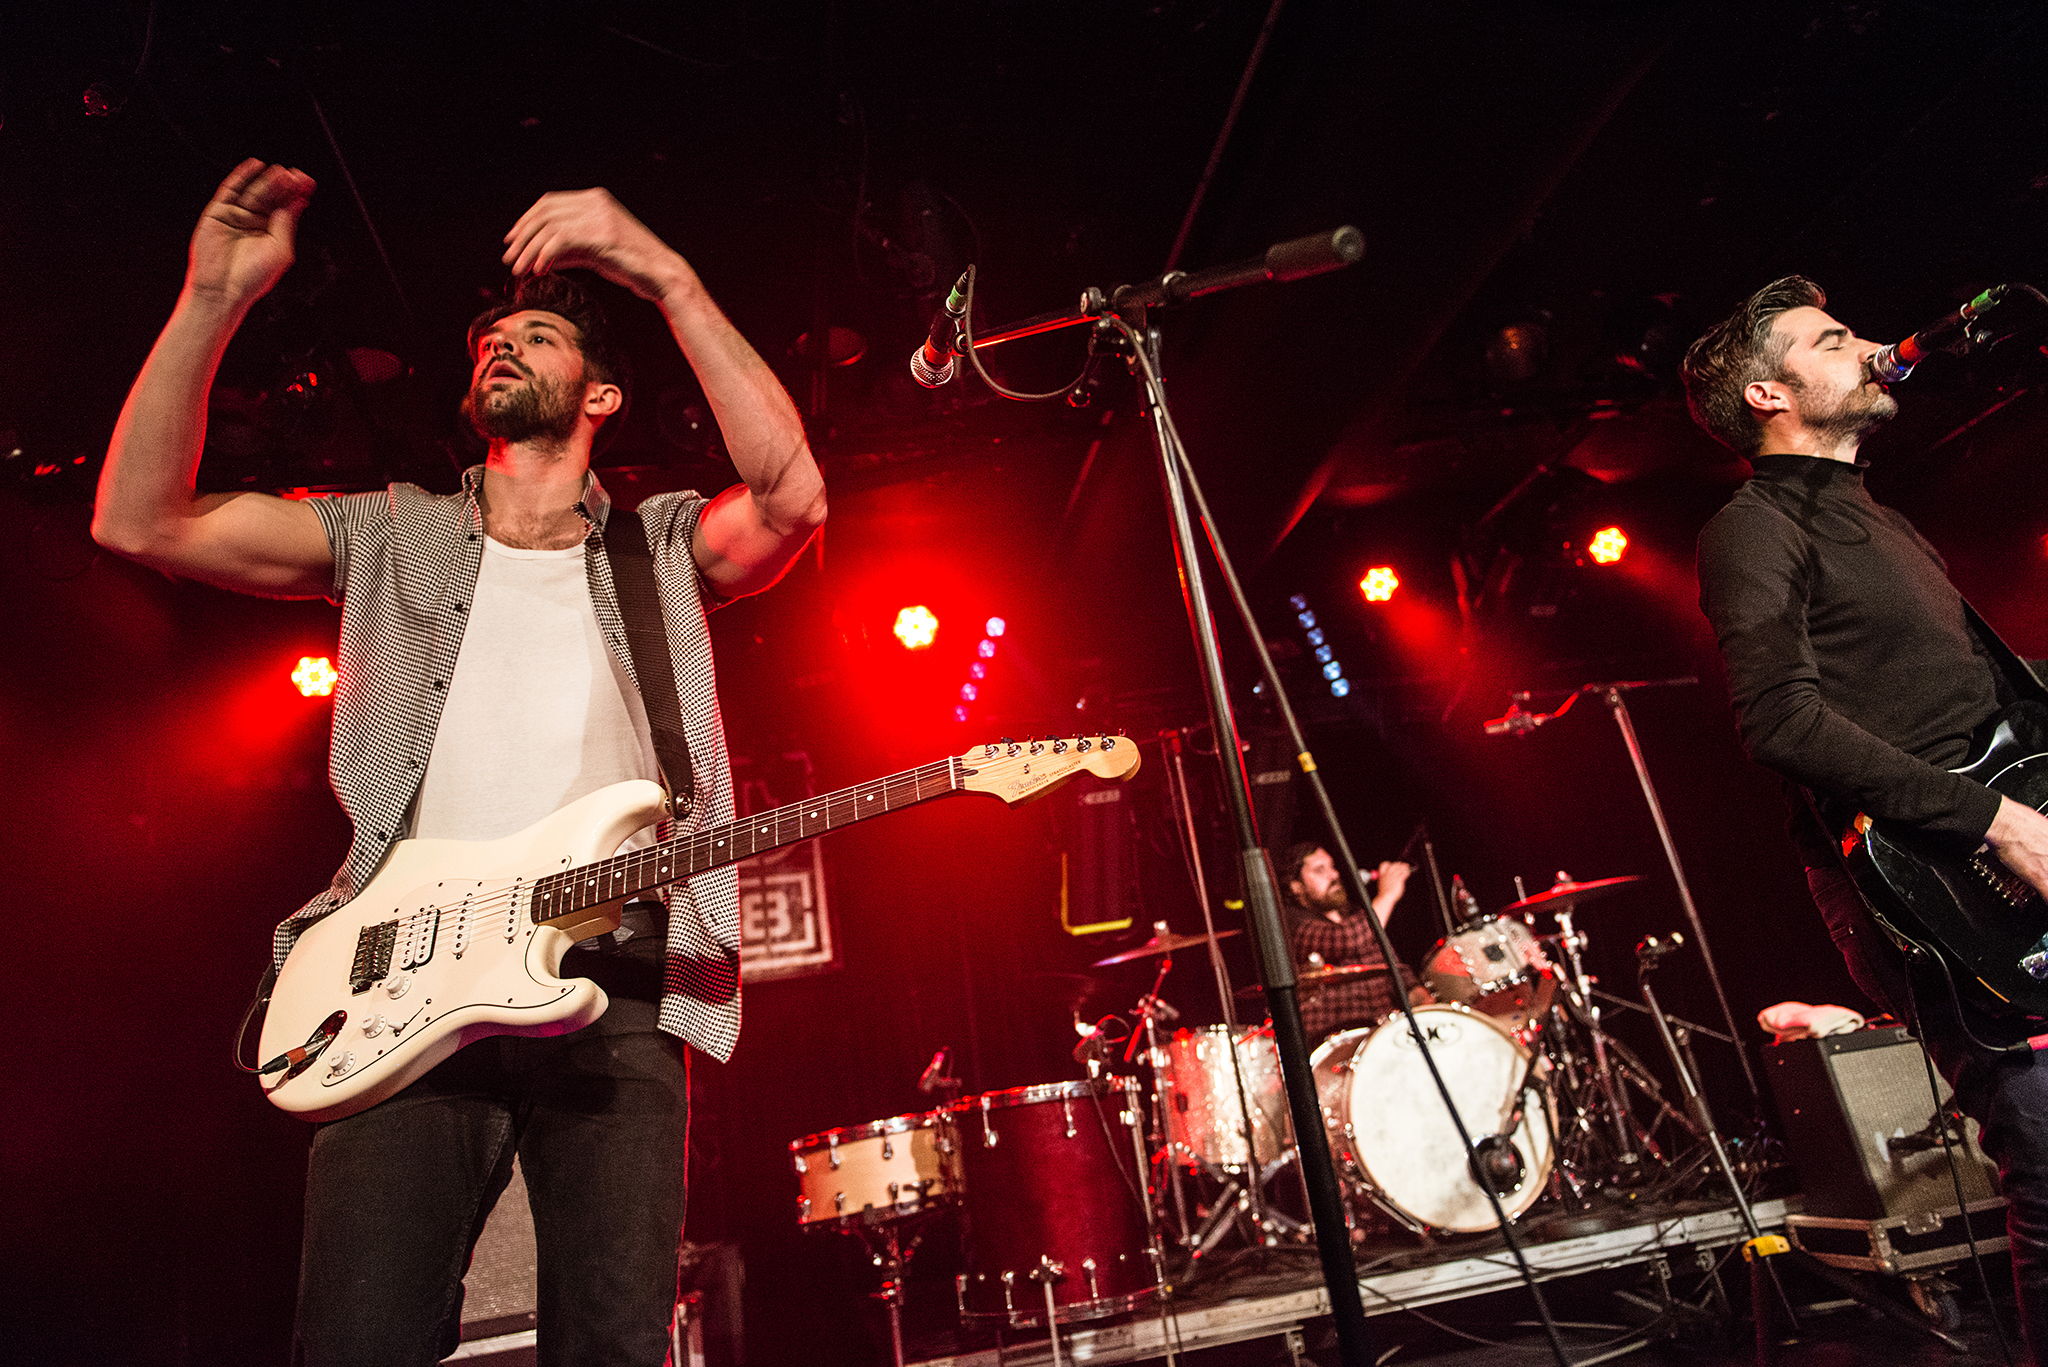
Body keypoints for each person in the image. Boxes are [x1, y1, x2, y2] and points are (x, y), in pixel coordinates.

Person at [92, 160, 826, 1365]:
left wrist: (662, 274)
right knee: (356, 1338)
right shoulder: (392, 532)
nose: (500, 345)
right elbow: (138, 519)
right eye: (489, 338)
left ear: (600, 394)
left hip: (617, 978)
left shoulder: (658, 545)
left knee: (612, 1344)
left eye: (537, 336)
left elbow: (792, 497)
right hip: (402, 976)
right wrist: (211, 298)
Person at [1687, 275, 2048, 1356]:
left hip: (1997, 828)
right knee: (2046, 1145)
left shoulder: (1879, 520)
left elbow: (1977, 699)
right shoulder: (1749, 529)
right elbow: (1779, 721)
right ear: (1768, 393)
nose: (1869, 345)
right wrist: (1999, 823)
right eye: (1831, 338)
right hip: (1931, 872)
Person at [1280, 842, 1431, 1039]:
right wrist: (1386, 896)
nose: (1334, 875)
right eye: (1320, 870)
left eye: (1332, 867)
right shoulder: (1293, 924)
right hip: (1335, 1041)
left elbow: (1398, 973)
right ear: (1296, 886)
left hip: (1383, 1034)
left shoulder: (1358, 917)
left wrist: (1420, 997)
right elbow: (1347, 940)